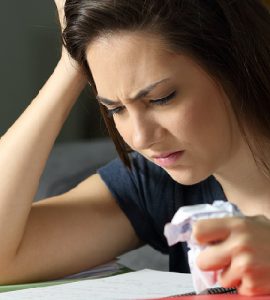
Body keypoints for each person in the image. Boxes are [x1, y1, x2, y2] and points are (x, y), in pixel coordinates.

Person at [0, 0, 269, 296]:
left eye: (161, 98)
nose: (140, 138)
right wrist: (70, 65)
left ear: (232, 60)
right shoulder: (156, 183)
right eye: (116, 109)